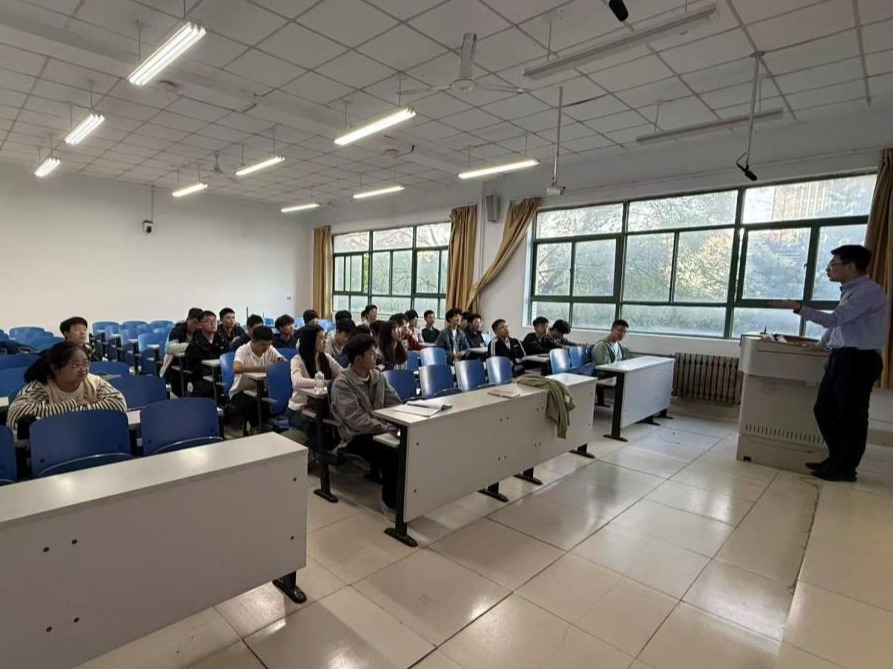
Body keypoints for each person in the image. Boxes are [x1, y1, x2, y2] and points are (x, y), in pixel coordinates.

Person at [774, 245, 887, 482]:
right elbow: (840, 325)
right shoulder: (850, 291)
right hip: (842, 357)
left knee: (851, 417)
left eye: (833, 264)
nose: (829, 269)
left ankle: (846, 468)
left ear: (850, 266)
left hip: (858, 360)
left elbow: (834, 319)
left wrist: (798, 307)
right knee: (824, 409)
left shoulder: (868, 292)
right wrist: (820, 344)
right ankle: (836, 458)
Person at [330, 334, 402, 519]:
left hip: (380, 429)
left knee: (411, 444)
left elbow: (395, 402)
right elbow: (357, 421)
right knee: (392, 454)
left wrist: (403, 418)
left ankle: (407, 495)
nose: (376, 355)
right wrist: (386, 428)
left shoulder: (378, 376)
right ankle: (390, 504)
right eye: (371, 353)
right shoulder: (342, 384)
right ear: (358, 359)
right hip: (356, 436)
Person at [7, 341, 127, 435]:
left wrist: (59, 416)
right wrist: (74, 404)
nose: (83, 369)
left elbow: (118, 404)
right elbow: (17, 415)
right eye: (76, 365)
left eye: (86, 363)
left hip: (89, 436)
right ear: (55, 368)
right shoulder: (41, 386)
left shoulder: (93, 382)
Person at [288, 325, 342, 433]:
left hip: (323, 406)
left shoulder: (325, 357)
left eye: (325, 337)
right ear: (310, 341)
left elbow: (342, 373)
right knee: (320, 429)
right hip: (300, 409)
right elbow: (297, 381)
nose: (325, 341)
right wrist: (325, 383)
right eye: (321, 338)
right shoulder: (297, 360)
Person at [230, 326, 285, 430]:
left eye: (269, 344)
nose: (266, 348)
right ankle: (257, 428)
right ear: (253, 340)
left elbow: (282, 363)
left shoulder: (270, 349)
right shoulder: (242, 350)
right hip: (241, 391)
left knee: (274, 401)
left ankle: (270, 426)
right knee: (255, 406)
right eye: (263, 344)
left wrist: (280, 362)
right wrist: (266, 368)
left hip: (262, 389)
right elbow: (237, 368)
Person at [184, 311, 229, 398]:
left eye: (214, 321)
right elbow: (193, 368)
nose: (213, 323)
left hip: (221, 375)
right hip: (202, 378)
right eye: (208, 321)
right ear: (200, 325)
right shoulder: (194, 345)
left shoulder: (221, 339)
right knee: (213, 388)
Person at [163, 307, 203, 394]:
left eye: (199, 324)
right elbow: (168, 348)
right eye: (194, 323)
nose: (196, 326)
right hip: (175, 362)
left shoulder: (201, 331)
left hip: (193, 362)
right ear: (187, 320)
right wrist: (190, 346)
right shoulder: (177, 330)